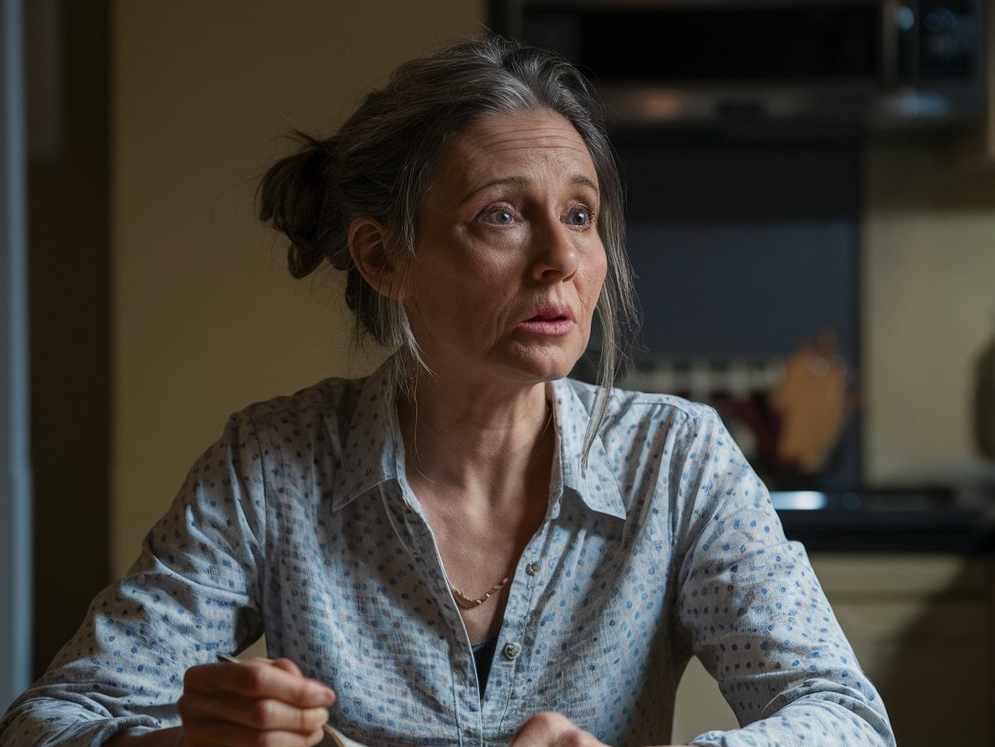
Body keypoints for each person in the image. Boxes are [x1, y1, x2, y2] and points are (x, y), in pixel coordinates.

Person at [0, 35, 894, 747]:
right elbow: (49, 722)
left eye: (579, 214)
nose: (560, 260)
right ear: (384, 257)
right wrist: (185, 746)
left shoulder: (676, 459)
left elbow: (844, 717)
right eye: (501, 215)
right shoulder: (271, 464)